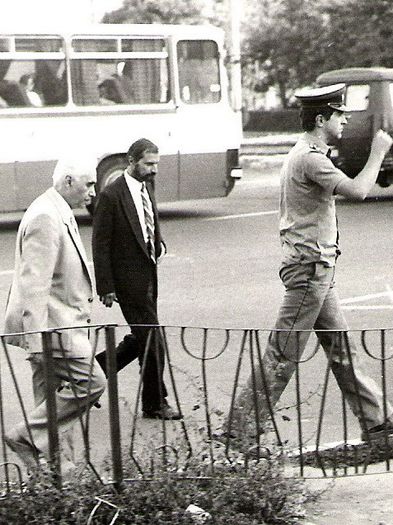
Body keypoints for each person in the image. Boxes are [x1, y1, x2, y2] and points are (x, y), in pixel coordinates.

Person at [227, 84, 393, 446]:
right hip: (310, 269)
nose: (345, 118)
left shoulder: (307, 152)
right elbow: (359, 191)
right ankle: (240, 432)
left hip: (317, 267)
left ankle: (378, 422)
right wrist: (378, 152)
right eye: (339, 113)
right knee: (284, 350)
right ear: (321, 119)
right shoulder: (311, 158)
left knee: (341, 348)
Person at [4, 156, 106, 471]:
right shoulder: (46, 216)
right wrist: (36, 342)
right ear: (68, 182)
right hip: (54, 329)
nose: (93, 191)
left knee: (48, 401)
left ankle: (51, 476)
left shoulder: (57, 209)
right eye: (89, 184)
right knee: (91, 382)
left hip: (57, 327)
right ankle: (24, 437)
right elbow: (33, 285)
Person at [92, 138, 182, 420]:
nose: (154, 169)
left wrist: (158, 240)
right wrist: (106, 287)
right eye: (148, 164)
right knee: (153, 338)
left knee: (140, 338)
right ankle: (155, 404)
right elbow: (101, 244)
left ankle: (84, 377)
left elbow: (149, 220)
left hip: (148, 276)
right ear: (131, 161)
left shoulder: (147, 186)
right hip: (126, 281)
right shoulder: (111, 195)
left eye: (156, 164)